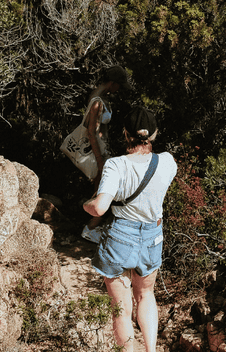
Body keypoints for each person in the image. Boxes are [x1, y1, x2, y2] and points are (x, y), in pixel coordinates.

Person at [83, 107, 177, 352]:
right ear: (154, 135)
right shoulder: (168, 162)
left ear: (125, 134)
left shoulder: (117, 166)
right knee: (146, 295)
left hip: (120, 237)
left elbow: (100, 207)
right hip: (152, 237)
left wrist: (86, 204)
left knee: (121, 310)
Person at [80, 64, 131, 243]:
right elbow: (91, 132)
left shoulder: (99, 97)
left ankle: (92, 226)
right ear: (112, 83)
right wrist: (100, 159)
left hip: (102, 151)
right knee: (103, 190)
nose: (118, 90)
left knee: (100, 189)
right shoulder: (97, 101)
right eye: (118, 85)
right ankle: (90, 228)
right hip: (98, 152)